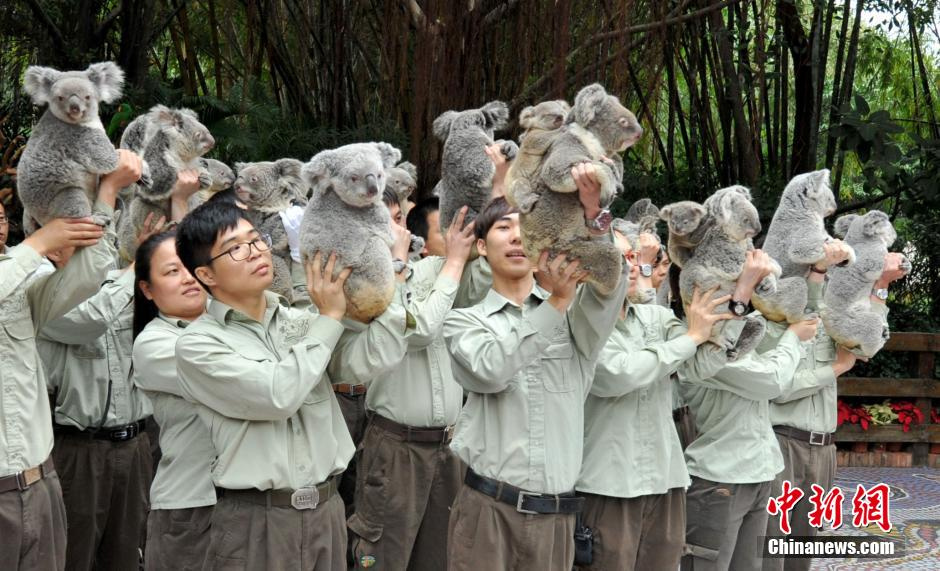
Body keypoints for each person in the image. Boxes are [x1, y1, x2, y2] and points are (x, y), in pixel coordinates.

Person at [442, 164, 628, 571]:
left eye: (523, 227)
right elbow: (491, 370)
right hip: (487, 511)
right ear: (480, 247)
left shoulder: (577, 319)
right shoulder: (465, 322)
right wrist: (555, 303)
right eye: (502, 228)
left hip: (557, 517)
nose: (514, 237)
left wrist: (594, 216)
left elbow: (609, 289)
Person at [174, 200, 354, 570]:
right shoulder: (197, 344)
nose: (256, 252)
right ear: (206, 275)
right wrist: (331, 315)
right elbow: (278, 395)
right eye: (236, 248)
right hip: (258, 520)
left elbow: (367, 362)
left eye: (257, 240)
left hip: (327, 509)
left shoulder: (299, 321)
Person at [36, 170, 200, 571]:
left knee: (127, 555)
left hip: (137, 446)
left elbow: (181, 281)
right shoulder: (40, 291)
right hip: (79, 450)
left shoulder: (123, 282)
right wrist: (137, 267)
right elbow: (88, 320)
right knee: (74, 556)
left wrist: (179, 201)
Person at [574, 225, 756, 570]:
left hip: (665, 477)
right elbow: (619, 374)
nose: (630, 266)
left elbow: (701, 364)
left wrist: (741, 295)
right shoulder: (580, 321)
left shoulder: (655, 317)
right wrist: (691, 337)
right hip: (609, 482)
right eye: (619, 257)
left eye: (632, 257)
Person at [0, 149, 143, 570]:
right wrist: (37, 244)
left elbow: (83, 284)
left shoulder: (21, 284)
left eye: (1, 215)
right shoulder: (19, 267)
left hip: (38, 483)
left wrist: (106, 195)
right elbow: (91, 318)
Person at [346, 206, 476, 570]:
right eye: (449, 231)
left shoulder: (449, 275)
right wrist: (436, 264)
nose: (459, 238)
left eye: (401, 219)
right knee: (383, 557)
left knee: (441, 556)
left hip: (448, 447)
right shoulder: (367, 280)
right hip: (396, 448)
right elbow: (418, 331)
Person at [761, 244, 904, 571]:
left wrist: (881, 284)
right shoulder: (773, 319)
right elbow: (779, 389)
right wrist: (836, 369)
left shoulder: (830, 315)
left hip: (822, 450)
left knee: (802, 551)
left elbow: (868, 344)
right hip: (782, 444)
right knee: (770, 548)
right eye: (817, 268)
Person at [680, 250, 819, 571]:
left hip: (760, 472)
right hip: (719, 479)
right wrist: (792, 340)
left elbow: (791, 318)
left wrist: (817, 274)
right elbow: (772, 380)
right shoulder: (705, 349)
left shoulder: (744, 334)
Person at [131, 230, 215, 571]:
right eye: (171, 271)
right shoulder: (153, 345)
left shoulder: (233, 320)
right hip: (191, 505)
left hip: (246, 505)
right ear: (147, 289)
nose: (187, 278)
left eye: (190, 266)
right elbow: (239, 381)